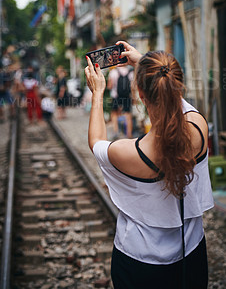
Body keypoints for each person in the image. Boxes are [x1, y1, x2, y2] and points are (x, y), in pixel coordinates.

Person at [85, 41, 214, 289]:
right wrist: (146, 63)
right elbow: (174, 97)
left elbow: (96, 141)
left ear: (141, 96)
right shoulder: (199, 127)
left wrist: (98, 93)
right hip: (191, 255)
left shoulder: (129, 152)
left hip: (139, 262)